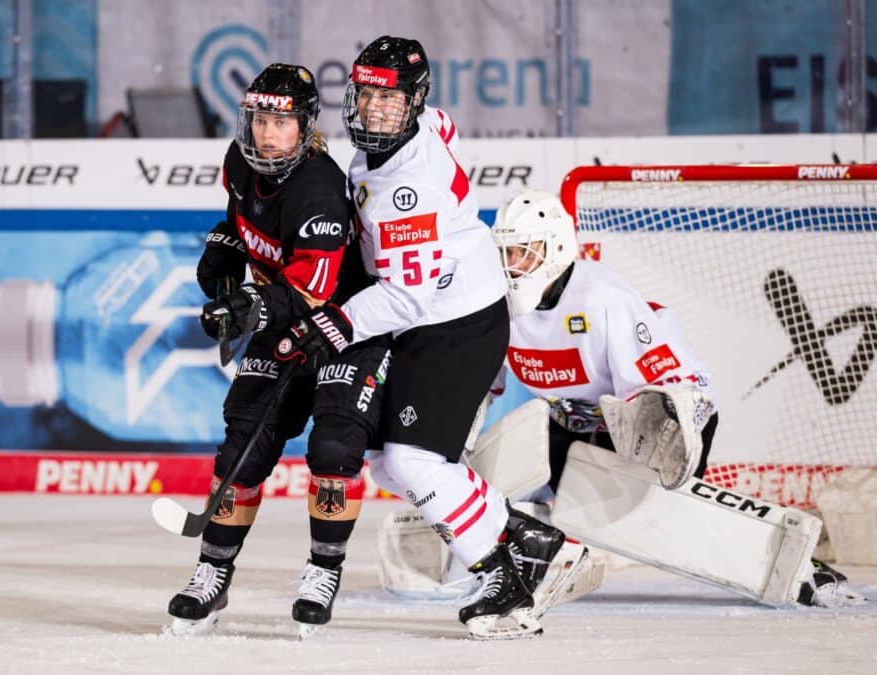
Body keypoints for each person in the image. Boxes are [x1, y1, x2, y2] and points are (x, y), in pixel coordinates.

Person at [269, 37, 586, 640]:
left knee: (415, 461)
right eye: (367, 96)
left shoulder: (406, 194)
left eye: (391, 102)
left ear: (412, 103)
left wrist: (329, 326)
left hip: (456, 324)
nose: (375, 112)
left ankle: (503, 577)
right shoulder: (418, 130)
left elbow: (404, 296)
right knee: (384, 462)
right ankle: (525, 535)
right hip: (433, 316)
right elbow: (447, 125)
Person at [475, 188, 863, 608]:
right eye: (506, 253)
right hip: (582, 422)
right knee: (526, 480)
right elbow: (478, 383)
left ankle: (802, 569)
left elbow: (660, 403)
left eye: (523, 253)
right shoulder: (496, 305)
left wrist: (650, 475)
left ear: (556, 250)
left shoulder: (604, 299)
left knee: (664, 522)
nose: (511, 266)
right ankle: (523, 554)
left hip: (673, 417)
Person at [166, 63, 390, 638]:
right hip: (280, 307)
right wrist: (226, 242)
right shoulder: (239, 164)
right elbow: (245, 224)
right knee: (244, 445)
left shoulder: (318, 191)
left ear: (306, 128)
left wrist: (247, 307)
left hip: (345, 323)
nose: (268, 134)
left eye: (282, 123)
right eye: (260, 119)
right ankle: (211, 574)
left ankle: (323, 570)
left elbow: (307, 293)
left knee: (335, 447)